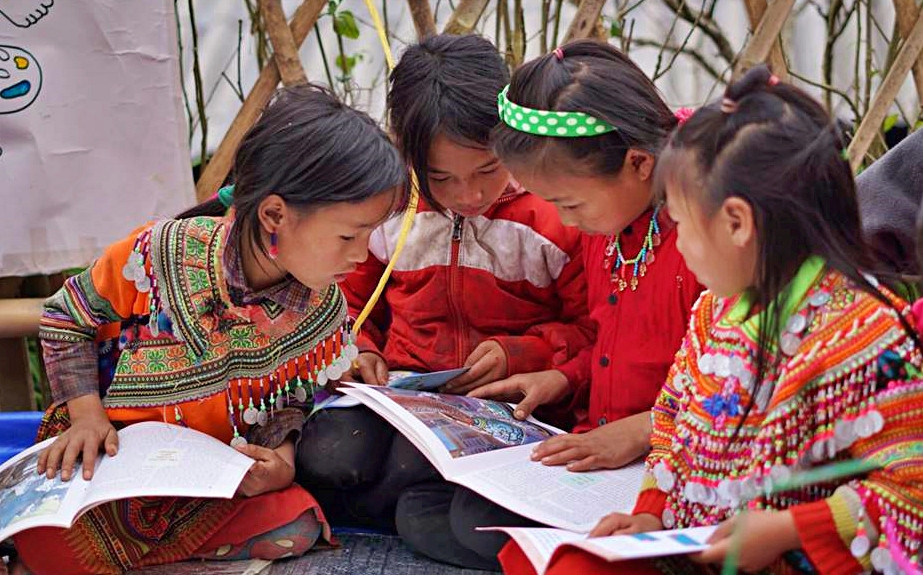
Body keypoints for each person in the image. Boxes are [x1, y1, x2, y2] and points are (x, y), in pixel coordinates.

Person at [500, 65, 923, 575]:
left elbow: (909, 493)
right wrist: (650, 516)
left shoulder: (867, 338)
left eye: (680, 224)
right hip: (695, 548)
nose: (676, 243)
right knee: (548, 560)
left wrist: (786, 532)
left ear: (738, 222)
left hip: (792, 560)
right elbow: (671, 423)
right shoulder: (713, 312)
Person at [11, 83, 408, 575]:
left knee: (297, 524)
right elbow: (65, 317)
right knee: (47, 536)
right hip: (110, 460)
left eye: (370, 235)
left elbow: (290, 400)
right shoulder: (158, 255)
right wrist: (87, 417)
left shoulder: (320, 305)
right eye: (349, 235)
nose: (361, 254)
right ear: (275, 215)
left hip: (208, 483)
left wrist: (281, 458)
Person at [386, 40, 704, 570]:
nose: (567, 221)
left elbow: (743, 387)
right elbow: (603, 344)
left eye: (569, 203)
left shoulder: (701, 244)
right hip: (596, 446)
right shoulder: (608, 228)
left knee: (471, 527)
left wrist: (642, 431)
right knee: (426, 511)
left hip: (670, 458)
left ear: (640, 164)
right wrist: (562, 377)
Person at [295, 35, 594, 559]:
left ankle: (418, 509)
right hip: (403, 393)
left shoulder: (553, 217)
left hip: (503, 405)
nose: (469, 196)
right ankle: (424, 509)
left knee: (408, 472)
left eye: (487, 170)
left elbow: (592, 328)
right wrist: (361, 348)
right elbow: (345, 297)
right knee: (327, 456)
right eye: (441, 178)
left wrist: (519, 353)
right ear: (408, 155)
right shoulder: (390, 210)